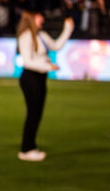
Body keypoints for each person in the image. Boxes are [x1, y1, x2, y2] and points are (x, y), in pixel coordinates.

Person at [14, 10, 72, 161]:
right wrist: (47, 66)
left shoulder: (41, 34)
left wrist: (67, 29)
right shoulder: (26, 36)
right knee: (33, 113)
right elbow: (26, 61)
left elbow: (56, 46)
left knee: (37, 113)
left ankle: (30, 145)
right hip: (30, 77)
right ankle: (26, 148)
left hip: (40, 77)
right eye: (39, 16)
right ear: (32, 18)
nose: (42, 18)